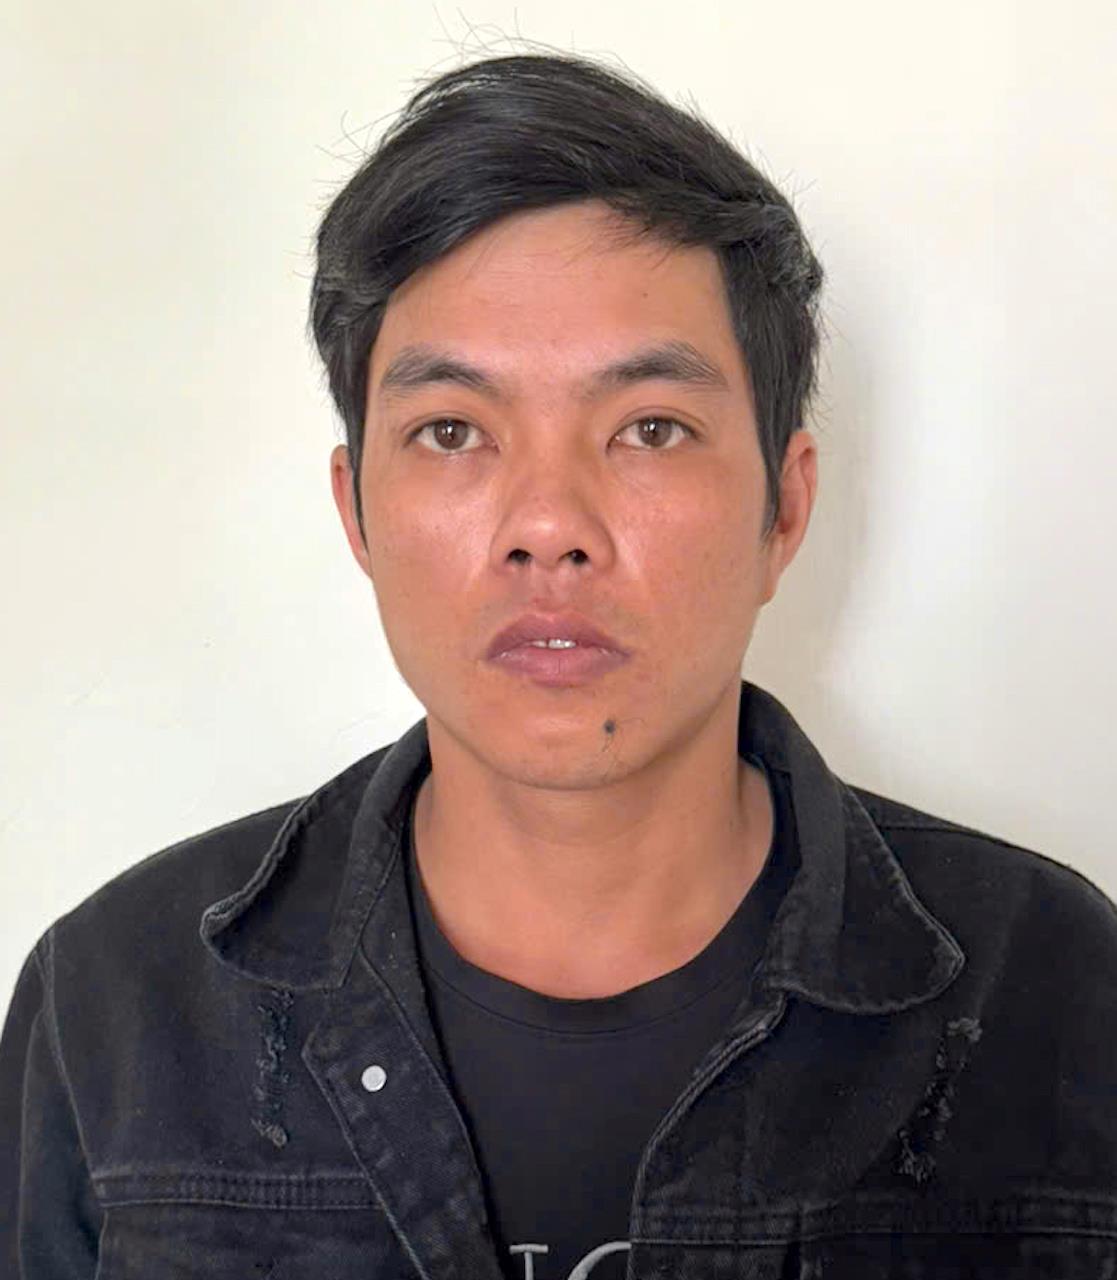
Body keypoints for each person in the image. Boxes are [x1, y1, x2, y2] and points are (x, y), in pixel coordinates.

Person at [2, 50, 1115, 1280]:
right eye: (451, 430)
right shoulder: (115, 1004)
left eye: (649, 428)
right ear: (357, 511)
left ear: (784, 509)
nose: (548, 524)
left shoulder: (1056, 985)